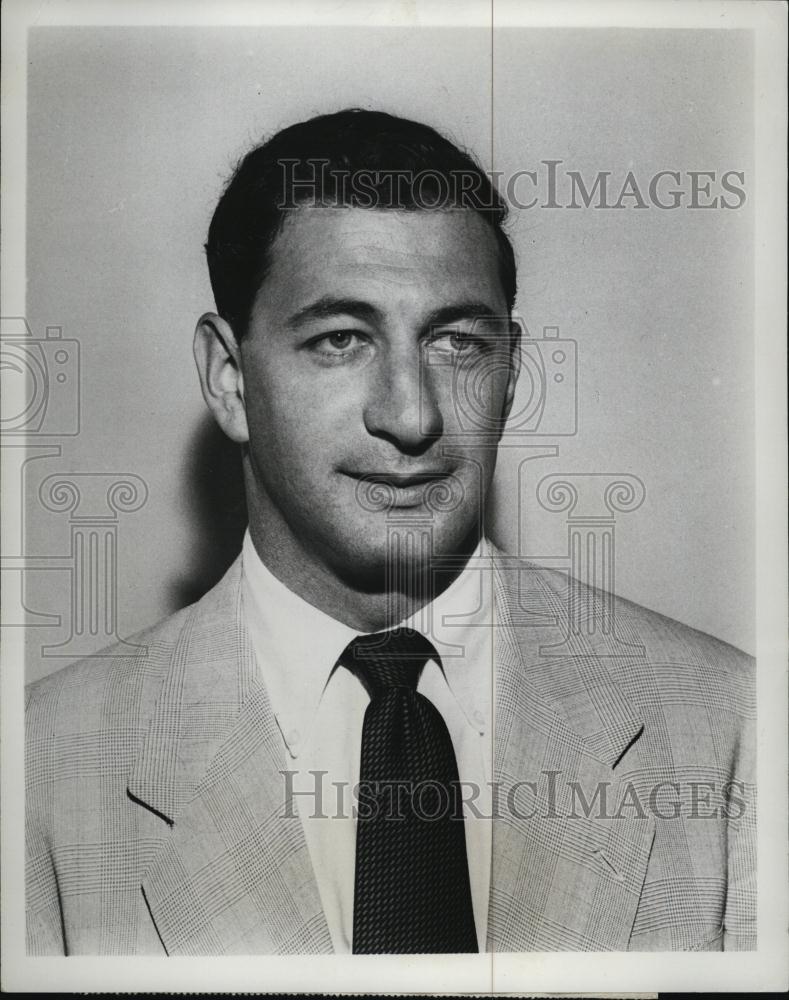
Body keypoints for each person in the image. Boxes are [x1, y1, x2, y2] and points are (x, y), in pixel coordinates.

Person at [25, 109, 755, 955]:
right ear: (229, 379)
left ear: (511, 373)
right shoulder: (42, 769)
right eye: (340, 340)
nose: (411, 415)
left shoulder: (731, 727)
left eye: (455, 341)